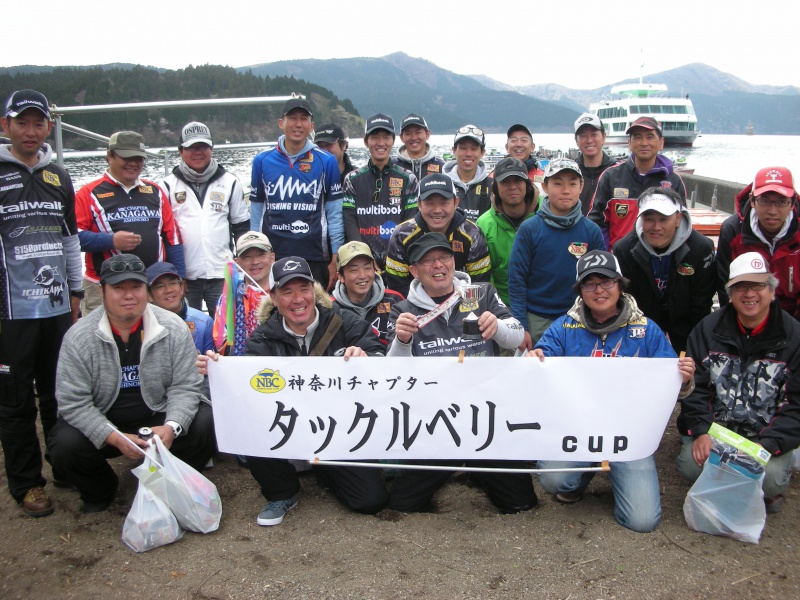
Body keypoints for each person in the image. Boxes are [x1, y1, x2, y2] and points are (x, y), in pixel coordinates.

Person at [199, 256, 388, 526]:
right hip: (288, 424)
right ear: (274, 298)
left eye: (303, 289)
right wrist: (219, 371)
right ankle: (282, 492)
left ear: (314, 291)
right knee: (250, 418)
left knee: (371, 501)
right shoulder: (264, 336)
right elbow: (244, 384)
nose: (297, 299)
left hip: (340, 428)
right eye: (287, 292)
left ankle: (324, 469)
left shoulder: (343, 320)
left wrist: (365, 357)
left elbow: (380, 356)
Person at [531, 250, 695, 533]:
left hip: (629, 435)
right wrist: (533, 362)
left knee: (642, 521)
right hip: (578, 430)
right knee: (553, 479)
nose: (599, 290)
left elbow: (673, 388)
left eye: (606, 282)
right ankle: (582, 473)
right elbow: (538, 374)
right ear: (580, 291)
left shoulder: (647, 330)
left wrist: (683, 378)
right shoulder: (563, 328)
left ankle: (619, 470)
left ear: (620, 284)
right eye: (589, 283)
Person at [48, 254, 216, 513]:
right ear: (102, 291)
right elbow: (73, 402)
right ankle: (101, 489)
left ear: (146, 292)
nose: (129, 295)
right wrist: (112, 436)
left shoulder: (173, 327)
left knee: (204, 420)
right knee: (64, 443)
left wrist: (171, 427)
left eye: (136, 287)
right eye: (118, 288)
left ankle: (167, 481)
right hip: (106, 418)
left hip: (156, 413)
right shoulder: (78, 337)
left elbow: (186, 385)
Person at [386, 233, 537, 514]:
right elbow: (392, 373)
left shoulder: (481, 293)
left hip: (485, 419)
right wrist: (402, 341)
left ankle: (477, 469)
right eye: (427, 261)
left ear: (453, 261)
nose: (438, 265)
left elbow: (518, 338)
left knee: (522, 503)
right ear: (413, 271)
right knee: (403, 505)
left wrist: (499, 328)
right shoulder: (403, 310)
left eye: (443, 257)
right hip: (435, 423)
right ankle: (453, 467)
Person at [0, 89, 84, 518]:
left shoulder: (60, 176)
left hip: (55, 307)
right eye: (22, 123)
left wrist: (76, 291)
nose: (30, 131)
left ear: (48, 126)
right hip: (10, 310)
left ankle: (63, 465)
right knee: (15, 400)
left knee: (58, 393)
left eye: (38, 123)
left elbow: (70, 240)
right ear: (6, 126)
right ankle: (27, 483)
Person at [677, 252, 800, 514]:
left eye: (758, 285)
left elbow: (796, 405)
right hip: (717, 431)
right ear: (730, 294)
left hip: (762, 436)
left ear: (772, 291)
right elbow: (694, 389)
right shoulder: (706, 330)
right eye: (741, 287)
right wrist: (700, 431)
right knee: (689, 465)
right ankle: (740, 487)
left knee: (772, 479)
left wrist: (766, 445)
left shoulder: (795, 337)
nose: (749, 294)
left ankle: (754, 485)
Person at [76, 130, 185, 314]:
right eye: (126, 157)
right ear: (109, 156)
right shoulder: (88, 193)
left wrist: (180, 276)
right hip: (104, 287)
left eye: (138, 158)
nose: (133, 163)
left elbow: (172, 237)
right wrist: (110, 241)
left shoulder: (155, 191)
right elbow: (73, 237)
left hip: (151, 285)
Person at [508, 158, 605, 350]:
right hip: (536, 319)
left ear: (581, 187)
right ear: (545, 186)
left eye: (572, 183)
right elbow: (516, 280)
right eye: (558, 183)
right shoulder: (529, 229)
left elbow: (600, 281)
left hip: (580, 318)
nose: (566, 190)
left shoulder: (592, 231)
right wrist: (522, 327)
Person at [249, 98, 343, 290]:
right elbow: (256, 214)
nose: (298, 124)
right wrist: (256, 254)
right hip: (274, 254)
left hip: (315, 254)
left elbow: (335, 215)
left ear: (311, 126)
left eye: (304, 119)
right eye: (292, 118)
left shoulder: (327, 161)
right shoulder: (262, 160)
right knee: (274, 310)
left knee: (317, 310)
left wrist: (336, 257)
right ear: (281, 123)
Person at [161, 121, 250, 316]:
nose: (197, 152)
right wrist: (175, 275)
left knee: (227, 332)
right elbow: (164, 234)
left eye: (202, 146)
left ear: (211, 148)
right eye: (191, 147)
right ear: (180, 151)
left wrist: (243, 270)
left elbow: (241, 228)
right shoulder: (167, 186)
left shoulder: (230, 182)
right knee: (186, 328)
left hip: (222, 274)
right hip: (184, 277)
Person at [613, 187, 716, 353]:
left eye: (663, 219)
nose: (656, 227)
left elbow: (701, 303)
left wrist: (693, 345)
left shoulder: (701, 249)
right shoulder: (624, 250)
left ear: (678, 218)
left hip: (687, 328)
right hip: (641, 328)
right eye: (649, 219)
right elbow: (626, 301)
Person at [385, 173, 491, 297]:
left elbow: (479, 284)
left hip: (462, 305)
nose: (437, 210)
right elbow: (397, 287)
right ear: (419, 204)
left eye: (444, 203)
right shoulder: (401, 235)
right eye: (429, 203)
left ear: (456, 202)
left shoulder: (473, 234)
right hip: (414, 307)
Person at [588, 116, 686, 249]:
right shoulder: (611, 177)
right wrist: (606, 257)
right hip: (618, 260)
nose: (644, 142)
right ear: (629, 143)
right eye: (638, 137)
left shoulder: (673, 181)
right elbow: (597, 222)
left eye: (650, 137)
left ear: (661, 143)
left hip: (659, 260)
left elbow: (681, 225)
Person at [716, 166, 800, 317]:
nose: (772, 211)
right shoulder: (732, 230)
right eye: (765, 201)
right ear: (752, 200)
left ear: (793, 202)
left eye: (781, 202)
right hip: (745, 314)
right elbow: (725, 286)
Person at [342, 113, 418, 268]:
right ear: (366, 141)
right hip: (364, 262)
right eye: (375, 137)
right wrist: (364, 256)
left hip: (399, 258)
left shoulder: (408, 178)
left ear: (393, 140)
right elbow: (349, 220)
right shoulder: (352, 179)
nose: (381, 143)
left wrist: (396, 252)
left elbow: (411, 222)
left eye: (386, 137)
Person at [476, 157, 538, 306]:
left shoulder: (546, 215)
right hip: (502, 306)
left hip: (542, 305)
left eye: (518, 180)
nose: (512, 186)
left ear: (527, 184)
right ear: (495, 186)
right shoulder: (484, 224)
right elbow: (485, 278)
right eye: (505, 181)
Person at [213, 231, 275, 356]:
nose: (255, 261)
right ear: (237, 263)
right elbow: (221, 339)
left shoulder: (285, 291)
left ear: (272, 257)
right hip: (243, 365)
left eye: (261, 255)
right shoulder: (229, 297)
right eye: (247, 257)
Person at [332, 240, 404, 346]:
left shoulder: (395, 300)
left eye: (367, 268)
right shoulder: (330, 308)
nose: (362, 275)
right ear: (340, 277)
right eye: (354, 270)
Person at [146, 261, 215, 354]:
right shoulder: (142, 323)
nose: (168, 290)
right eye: (160, 286)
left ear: (182, 288)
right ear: (149, 295)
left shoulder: (204, 322)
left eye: (173, 283)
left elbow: (211, 362)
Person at [442, 124, 492, 220]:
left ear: (482, 153)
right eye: (463, 148)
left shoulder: (493, 186)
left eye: (474, 149)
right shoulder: (442, 184)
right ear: (454, 150)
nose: (468, 154)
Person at [573, 113, 617, 215]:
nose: (589, 140)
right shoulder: (571, 173)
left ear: (604, 137)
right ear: (576, 140)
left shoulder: (617, 172)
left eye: (594, 134)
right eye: (583, 136)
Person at [393, 113, 445, 180]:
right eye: (408, 133)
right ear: (401, 137)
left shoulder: (442, 167)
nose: (414, 138)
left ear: (427, 134)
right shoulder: (392, 166)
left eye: (418, 132)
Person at [504, 123, 545, 195]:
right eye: (514, 140)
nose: (519, 144)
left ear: (532, 147)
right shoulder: (495, 176)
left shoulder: (544, 177)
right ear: (507, 147)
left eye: (524, 140)